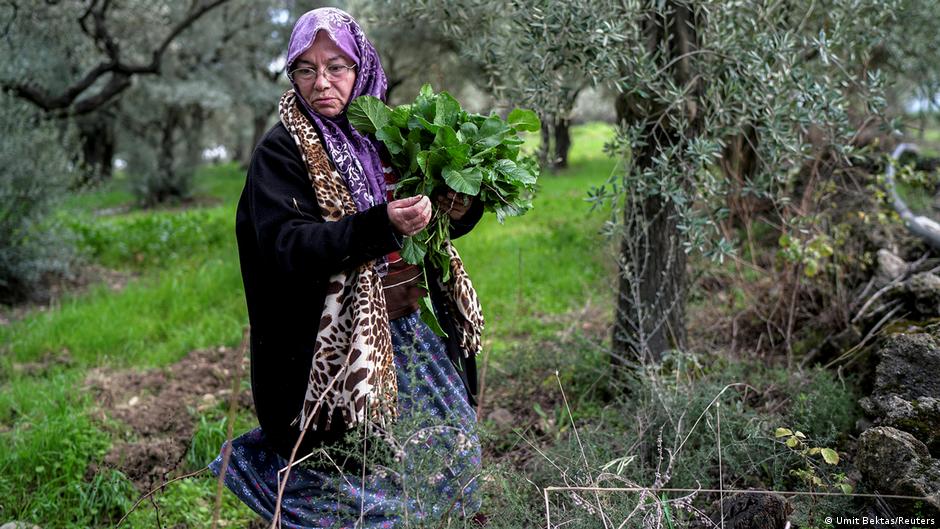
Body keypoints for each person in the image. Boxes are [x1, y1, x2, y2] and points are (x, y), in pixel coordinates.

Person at [208, 7, 486, 528]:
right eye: (306, 70)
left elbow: (431, 225)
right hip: (336, 347)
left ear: (362, 68)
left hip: (407, 332)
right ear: (292, 75)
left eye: (336, 67)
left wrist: (458, 207)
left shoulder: (391, 134)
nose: (322, 83)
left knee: (453, 459)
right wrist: (380, 225)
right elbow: (287, 247)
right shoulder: (282, 153)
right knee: (352, 479)